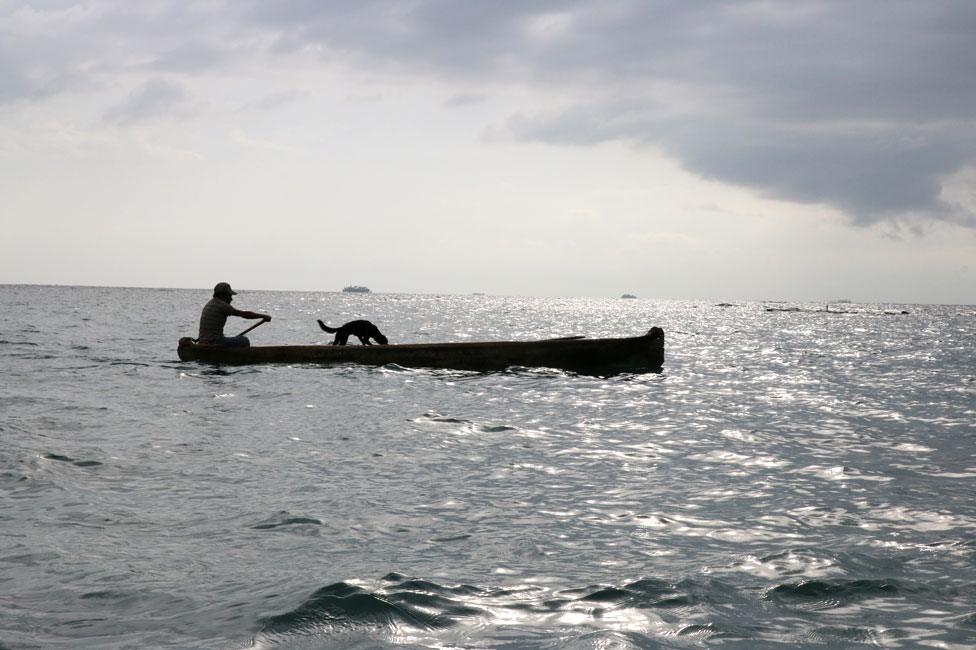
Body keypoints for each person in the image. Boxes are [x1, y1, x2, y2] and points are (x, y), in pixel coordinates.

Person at [197, 282, 271, 347]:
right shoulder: (222, 306)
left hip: (203, 340)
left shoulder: (210, 303)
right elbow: (244, 314)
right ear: (222, 295)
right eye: (229, 296)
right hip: (213, 341)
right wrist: (263, 316)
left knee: (230, 339)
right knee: (244, 340)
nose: (231, 299)